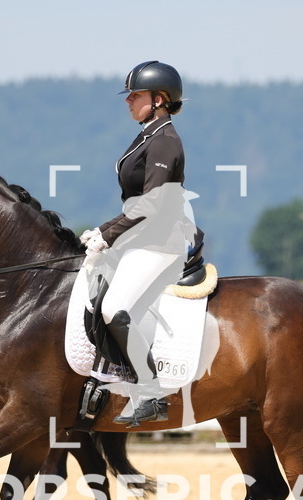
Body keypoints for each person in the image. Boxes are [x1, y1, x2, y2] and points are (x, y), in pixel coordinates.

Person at [80, 61, 202, 427]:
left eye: (135, 95)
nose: (128, 101)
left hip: (159, 244)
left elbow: (151, 203)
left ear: (159, 99)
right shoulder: (148, 134)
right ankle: (106, 379)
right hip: (138, 240)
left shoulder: (165, 141)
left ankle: (151, 393)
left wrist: (106, 232)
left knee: (114, 309)